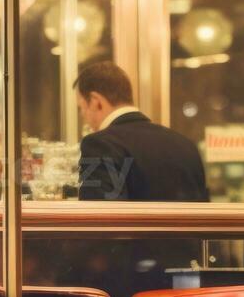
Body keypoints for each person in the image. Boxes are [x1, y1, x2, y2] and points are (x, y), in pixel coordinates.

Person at [74, 61, 209, 202]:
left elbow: (97, 216)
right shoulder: (186, 146)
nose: (83, 117)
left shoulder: (99, 145)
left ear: (96, 102)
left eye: (81, 108)